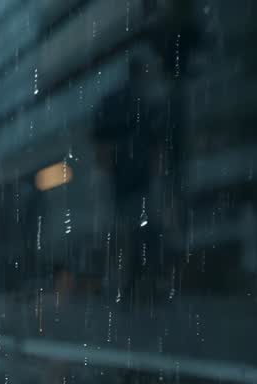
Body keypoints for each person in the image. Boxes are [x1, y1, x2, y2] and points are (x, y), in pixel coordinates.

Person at [93, 54, 166, 304]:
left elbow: (101, 138)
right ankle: (137, 284)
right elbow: (155, 143)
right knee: (138, 232)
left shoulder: (129, 102)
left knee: (133, 232)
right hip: (133, 178)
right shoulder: (141, 103)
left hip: (127, 179)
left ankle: (134, 284)